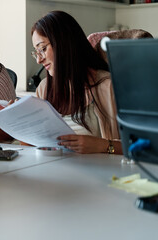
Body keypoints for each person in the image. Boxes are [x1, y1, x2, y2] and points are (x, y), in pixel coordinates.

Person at [31, 10, 122, 154]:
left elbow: (142, 146)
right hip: (50, 170)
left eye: (42, 49)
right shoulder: (43, 89)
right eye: (36, 52)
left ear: (63, 44)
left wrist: (103, 145)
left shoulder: (107, 86)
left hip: (98, 172)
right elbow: (33, 143)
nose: (39, 59)